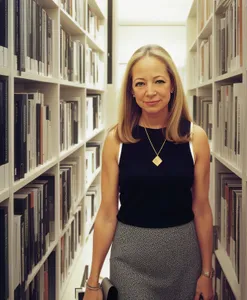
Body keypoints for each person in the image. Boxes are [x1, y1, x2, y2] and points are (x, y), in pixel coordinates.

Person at [83, 44, 214, 300]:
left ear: (173, 85)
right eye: (140, 83)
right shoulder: (117, 139)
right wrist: (93, 282)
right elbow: (108, 213)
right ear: (131, 90)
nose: (150, 92)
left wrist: (207, 273)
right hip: (130, 260)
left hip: (184, 258)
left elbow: (202, 209)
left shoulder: (195, 138)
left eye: (159, 81)